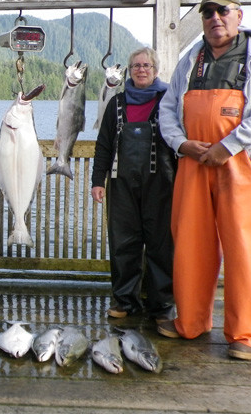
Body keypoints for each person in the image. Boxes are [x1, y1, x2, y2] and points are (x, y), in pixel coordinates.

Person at [157, 0, 251, 360]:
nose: (215, 17)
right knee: (190, 243)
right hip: (194, 161)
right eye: (208, 12)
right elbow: (168, 108)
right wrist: (181, 144)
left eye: (222, 11)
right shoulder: (190, 60)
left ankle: (248, 334)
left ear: (238, 15)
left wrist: (227, 146)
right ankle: (191, 321)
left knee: (246, 247)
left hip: (242, 162)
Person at [91, 47, 176, 324]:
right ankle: (125, 301)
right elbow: (104, 144)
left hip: (161, 183)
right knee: (123, 244)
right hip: (121, 183)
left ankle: (161, 304)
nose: (141, 69)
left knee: (160, 244)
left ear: (156, 70)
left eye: (147, 65)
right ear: (130, 70)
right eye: (136, 65)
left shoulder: (168, 100)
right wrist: (97, 181)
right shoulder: (116, 103)